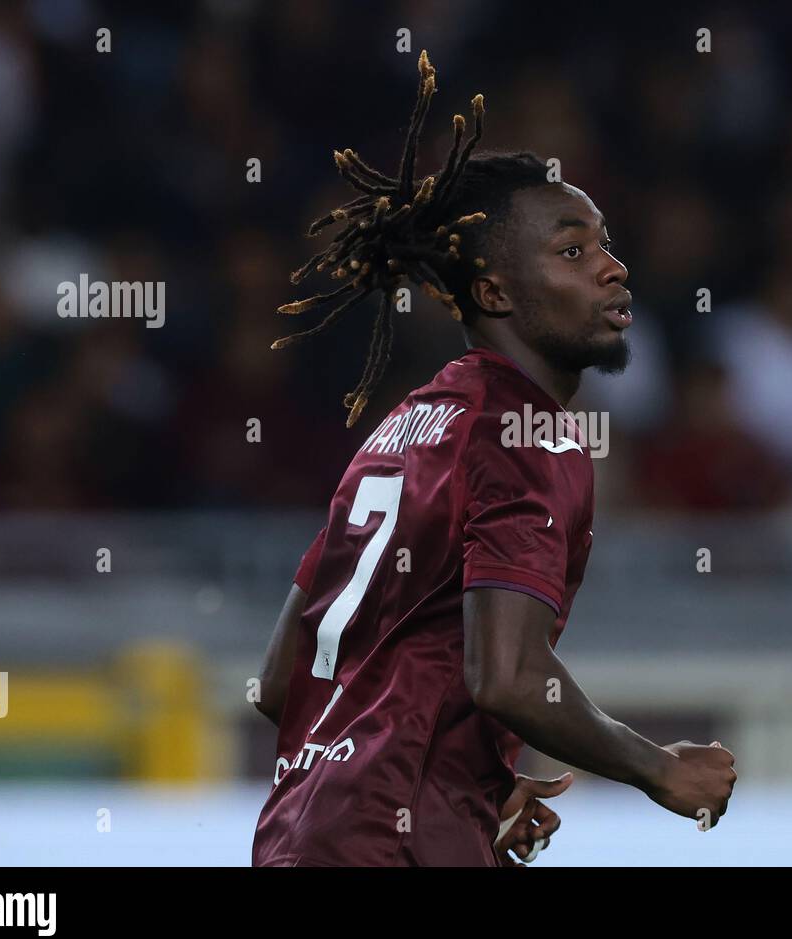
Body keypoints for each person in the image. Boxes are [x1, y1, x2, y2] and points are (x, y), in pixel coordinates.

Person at [252, 51, 736, 867]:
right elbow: (507, 675)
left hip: (300, 832)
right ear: (496, 293)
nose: (614, 268)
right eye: (573, 252)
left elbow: (278, 683)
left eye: (607, 246)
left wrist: (466, 772)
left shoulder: (402, 428)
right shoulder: (529, 434)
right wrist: (658, 769)